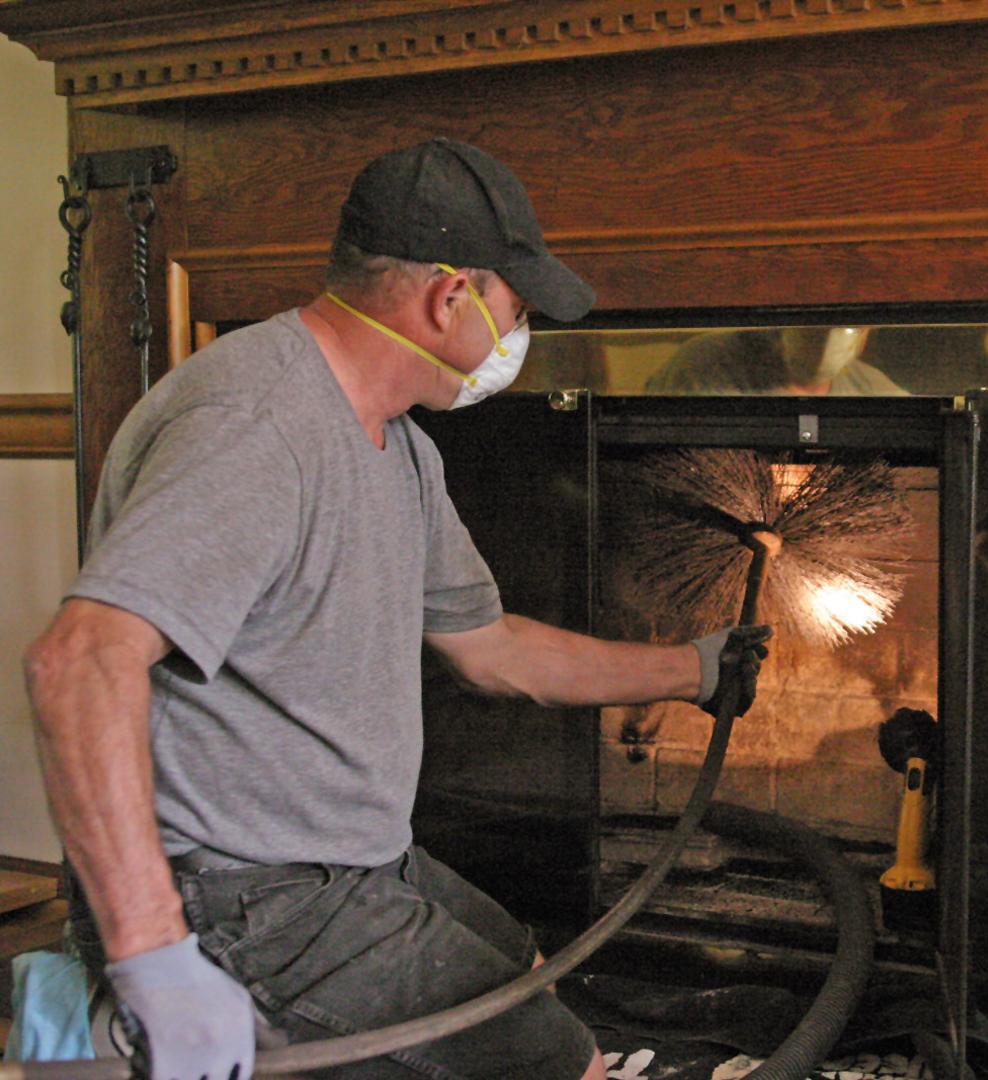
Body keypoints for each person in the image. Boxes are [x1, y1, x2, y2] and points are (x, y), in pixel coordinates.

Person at [23, 138, 771, 1080]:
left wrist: (697, 670)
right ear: (449, 297)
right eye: (517, 306)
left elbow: (494, 649)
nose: (519, 333)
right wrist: (155, 960)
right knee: (549, 1060)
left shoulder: (398, 449)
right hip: (236, 895)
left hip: (349, 865)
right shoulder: (258, 426)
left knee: (526, 975)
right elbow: (77, 662)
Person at [646, 325, 908, 396]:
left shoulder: (873, 389)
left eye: (852, 326)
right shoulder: (706, 365)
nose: (828, 339)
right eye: (814, 326)